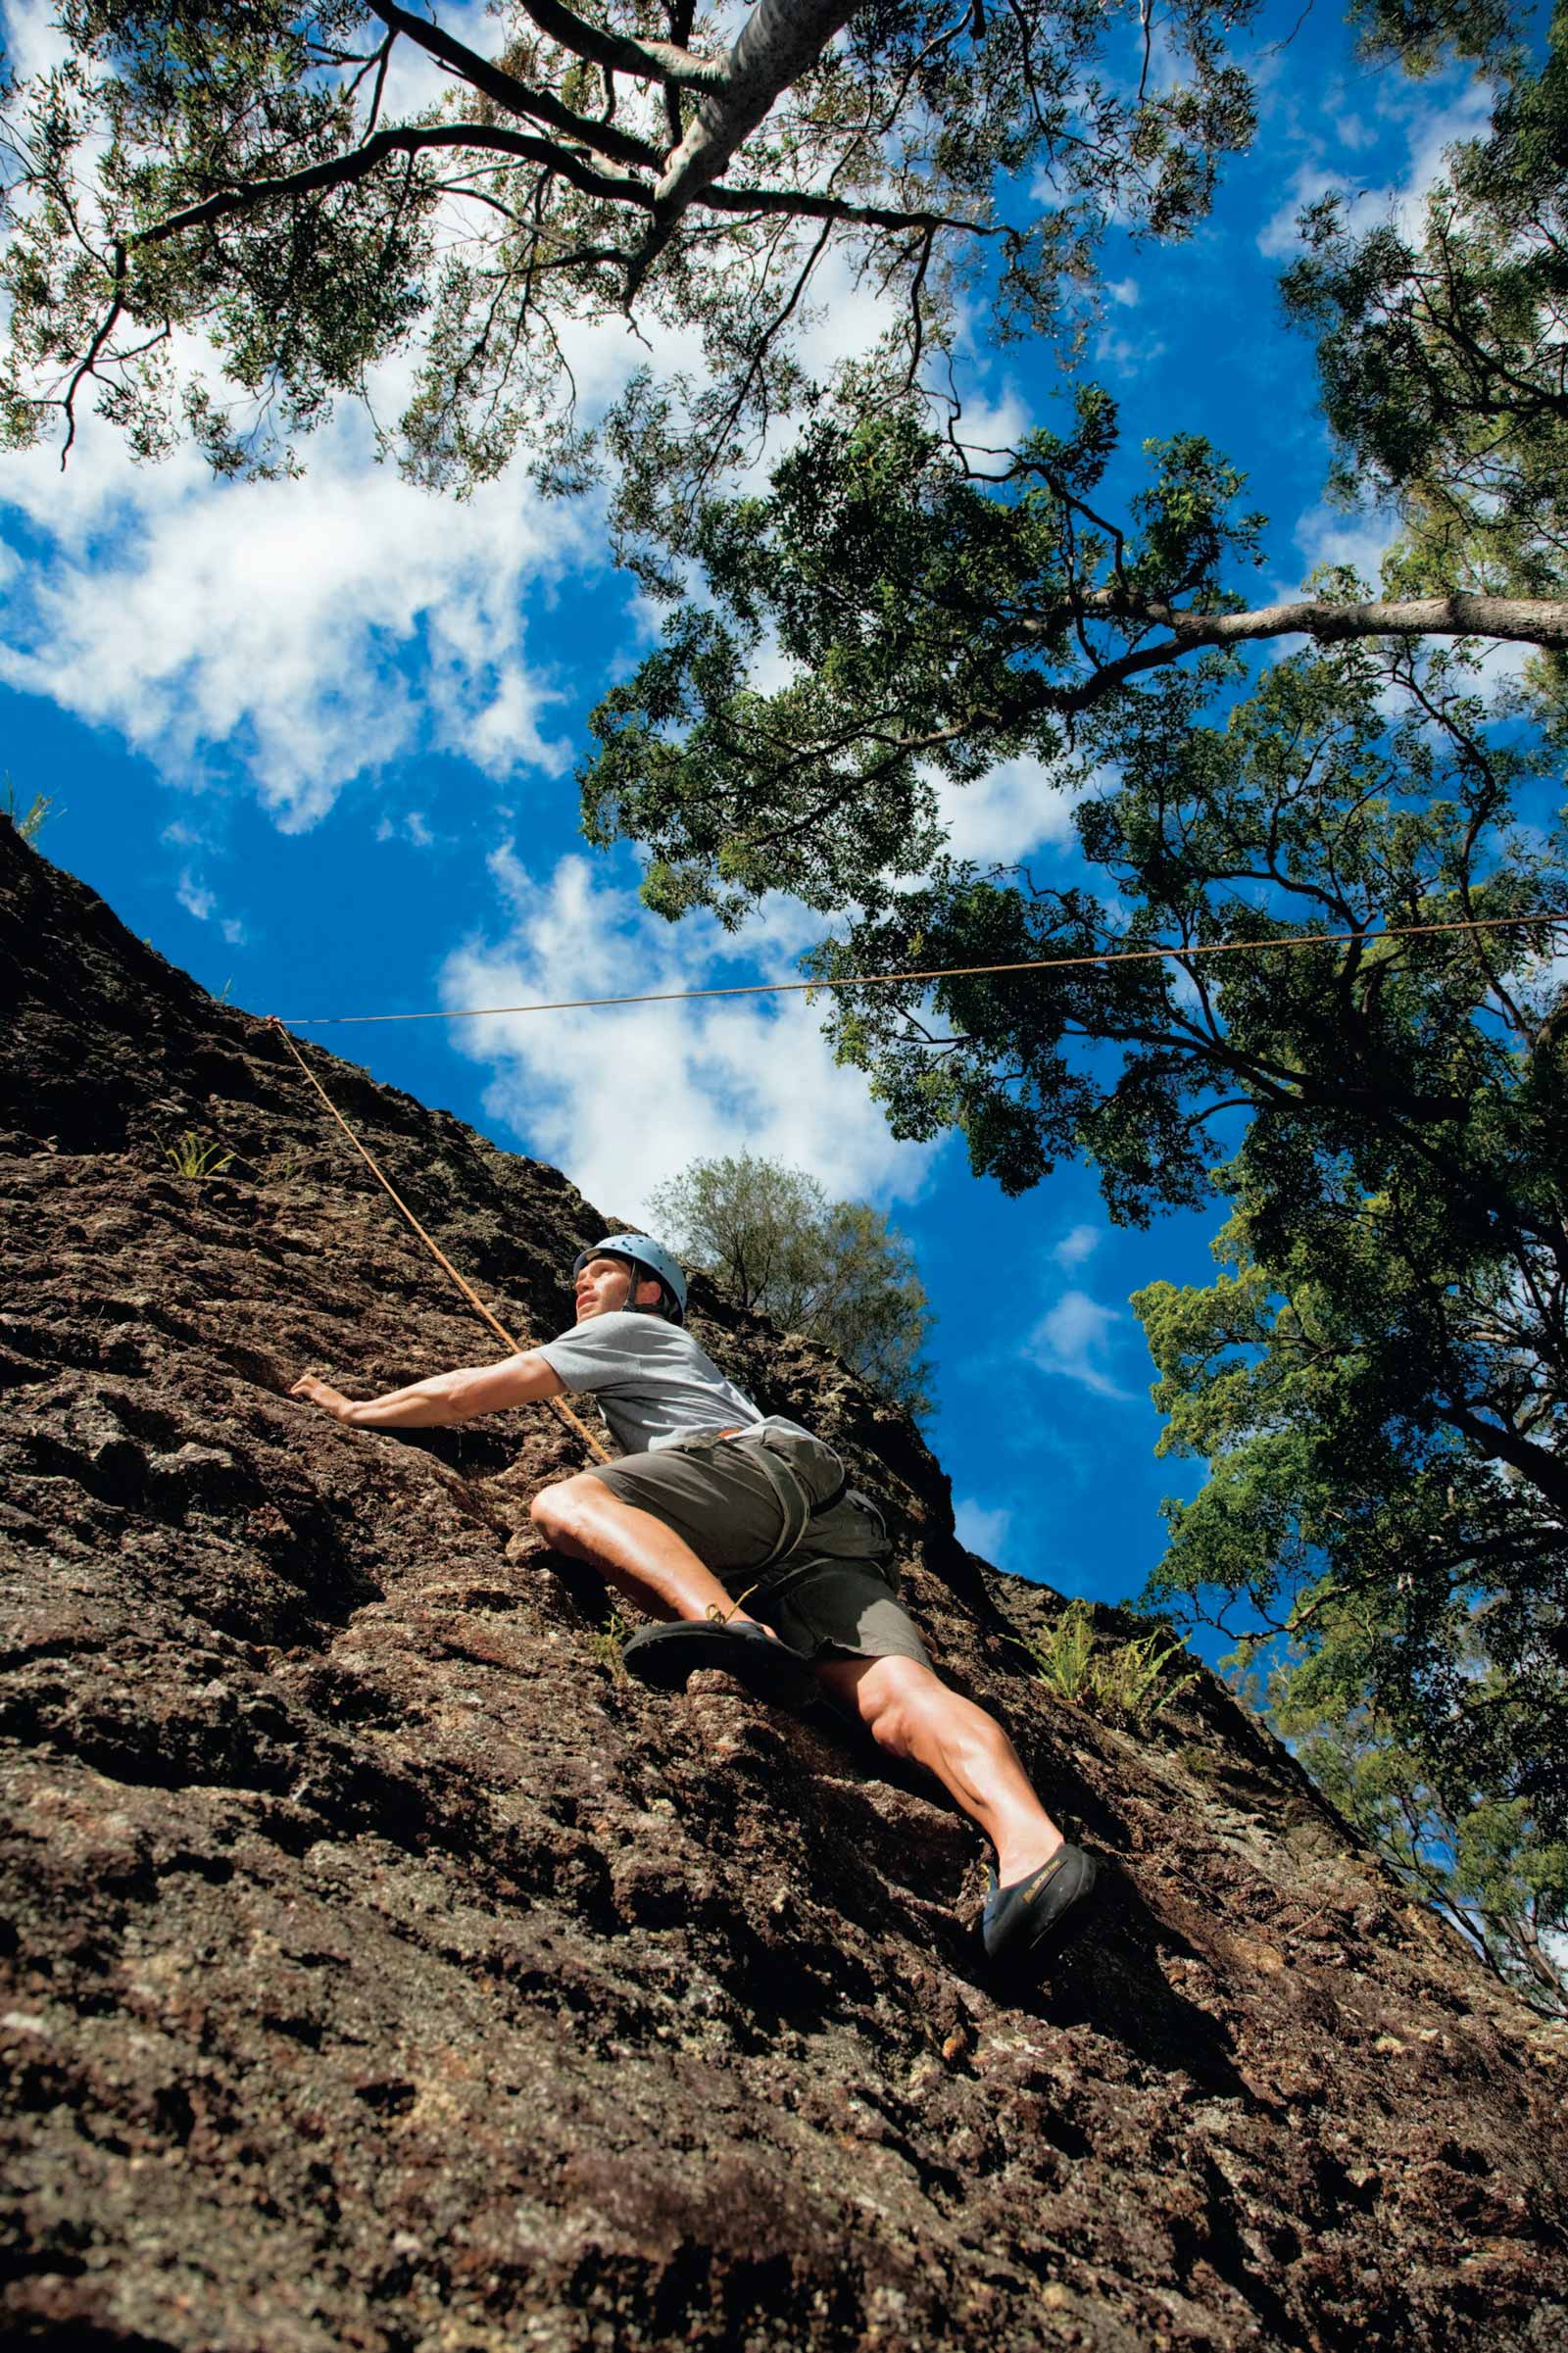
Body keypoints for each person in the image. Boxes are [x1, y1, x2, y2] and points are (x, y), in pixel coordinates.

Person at [291, 1233, 1097, 1975]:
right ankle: (1032, 1850)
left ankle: (727, 1625)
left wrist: (358, 1410)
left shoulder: (627, 1333)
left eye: (602, 1269)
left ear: (649, 1293)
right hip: (827, 1529)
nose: (582, 1282)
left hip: (747, 1480)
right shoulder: (682, 1362)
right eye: (580, 1273)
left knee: (568, 1503)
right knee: (895, 1699)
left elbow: (475, 1391)